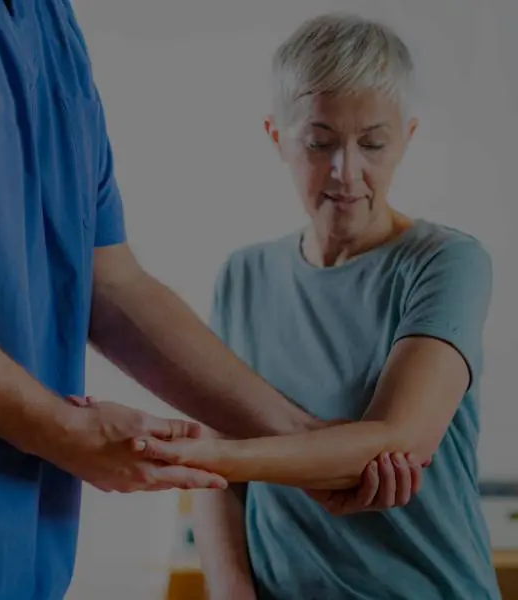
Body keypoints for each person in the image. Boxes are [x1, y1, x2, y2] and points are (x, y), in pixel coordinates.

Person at [0, 2, 421, 599]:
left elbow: (113, 282)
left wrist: (301, 442)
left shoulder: (53, 31)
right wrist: (57, 429)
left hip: (13, 563)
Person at [135, 12, 502, 600]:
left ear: (407, 137)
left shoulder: (446, 263)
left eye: (373, 143)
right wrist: (233, 590)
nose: (346, 172)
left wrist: (218, 455)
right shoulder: (244, 275)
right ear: (277, 136)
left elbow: (396, 440)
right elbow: (218, 484)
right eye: (320, 141)